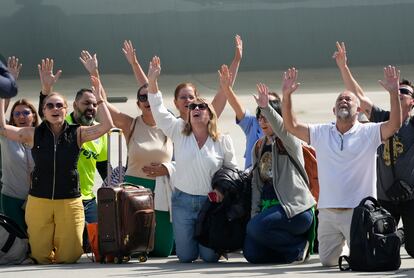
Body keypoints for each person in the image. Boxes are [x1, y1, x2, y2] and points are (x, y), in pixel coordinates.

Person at [281, 64, 401, 266]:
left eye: (349, 99)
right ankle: (345, 247)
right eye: (340, 100)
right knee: (328, 262)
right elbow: (291, 126)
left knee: (363, 260)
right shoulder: (321, 132)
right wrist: (287, 96)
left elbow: (394, 125)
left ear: (359, 110)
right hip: (327, 212)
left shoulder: (369, 132)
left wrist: (393, 93)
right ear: (334, 110)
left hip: (358, 214)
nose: (344, 101)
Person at [0, 60, 114, 264]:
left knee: (70, 256)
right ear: (43, 112)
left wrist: (100, 99)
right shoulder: (34, 134)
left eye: (59, 105)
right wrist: (3, 92)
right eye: (50, 106)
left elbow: (107, 125)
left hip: (69, 200)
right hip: (39, 200)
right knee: (41, 256)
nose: (55, 109)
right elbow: (2, 128)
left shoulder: (77, 133)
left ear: (66, 109)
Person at [79, 49, 174, 257]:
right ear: (138, 104)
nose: (147, 99)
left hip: (163, 191)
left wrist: (142, 70)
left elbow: (151, 89)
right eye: (143, 97)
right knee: (134, 247)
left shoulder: (172, 125)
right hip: (135, 192)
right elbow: (103, 101)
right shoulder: (131, 124)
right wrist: (95, 73)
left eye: (151, 96)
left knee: (162, 251)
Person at [147, 56, 238, 263]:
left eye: (201, 106)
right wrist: (153, 82)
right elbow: (159, 111)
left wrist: (223, 191)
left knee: (209, 257)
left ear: (210, 114)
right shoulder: (179, 130)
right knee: (186, 257)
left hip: (211, 204)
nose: (195, 109)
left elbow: (232, 171)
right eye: (192, 107)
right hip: (182, 203)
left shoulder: (222, 140)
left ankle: (214, 244)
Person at [334, 41, 414, 258]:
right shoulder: (382, 119)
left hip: (410, 196)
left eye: (404, 91)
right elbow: (358, 96)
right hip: (385, 196)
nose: (399, 93)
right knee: (378, 247)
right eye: (396, 90)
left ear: (412, 101)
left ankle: (404, 234)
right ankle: (397, 235)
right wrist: (343, 67)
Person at [235, 77, 316, 263]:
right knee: (252, 253)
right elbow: (256, 186)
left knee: (255, 229)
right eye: (260, 118)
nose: (263, 122)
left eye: (267, 117)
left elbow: (282, 127)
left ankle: (297, 246)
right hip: (269, 211)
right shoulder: (258, 146)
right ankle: (291, 251)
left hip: (295, 210)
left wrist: (266, 107)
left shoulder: (290, 141)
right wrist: (255, 216)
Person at [37, 56, 109, 252]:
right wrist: (45, 90)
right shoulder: (61, 124)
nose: (91, 108)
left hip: (88, 199)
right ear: (75, 105)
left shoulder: (98, 132)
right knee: (69, 250)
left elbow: (103, 168)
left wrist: (114, 192)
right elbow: (44, 115)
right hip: (64, 199)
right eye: (86, 103)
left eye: (94, 105)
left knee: (99, 248)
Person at [0, 96, 38, 231]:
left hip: (38, 199)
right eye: (17, 114)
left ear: (33, 116)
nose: (22, 116)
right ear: (13, 118)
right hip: (11, 198)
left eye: (26, 113)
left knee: (37, 240)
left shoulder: (43, 136)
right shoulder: (6, 136)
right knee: (16, 240)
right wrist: (6, 91)